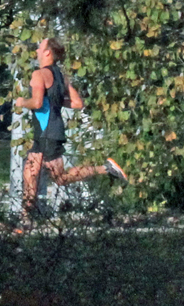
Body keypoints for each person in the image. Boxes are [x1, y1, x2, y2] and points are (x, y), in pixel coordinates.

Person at [13, 37, 128, 228]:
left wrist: (21, 102)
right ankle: (25, 220)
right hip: (51, 132)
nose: (37, 49)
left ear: (48, 52)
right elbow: (77, 103)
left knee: (47, 176)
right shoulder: (61, 76)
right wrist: (56, 101)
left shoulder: (39, 75)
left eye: (40, 46)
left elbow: (37, 103)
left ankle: (105, 169)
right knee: (40, 174)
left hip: (46, 133)